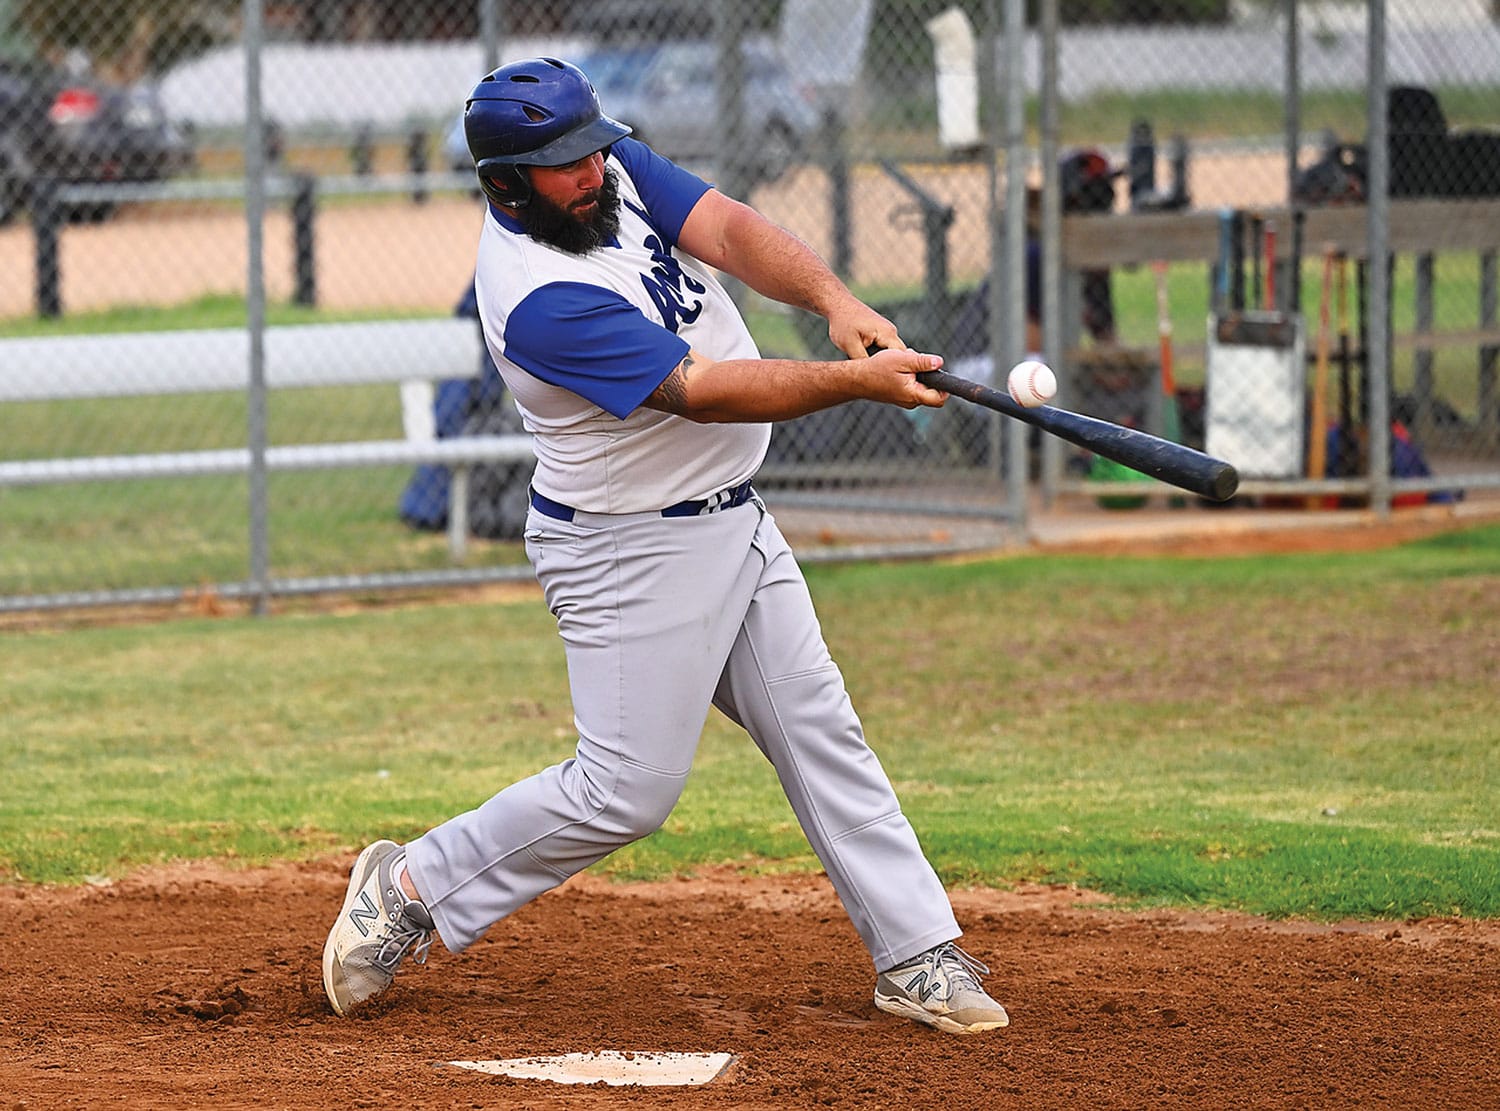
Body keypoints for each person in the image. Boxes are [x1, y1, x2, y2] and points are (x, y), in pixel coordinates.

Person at [321, 56, 1010, 1036]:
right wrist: (856, 382)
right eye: (562, 165)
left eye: (592, 148)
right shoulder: (536, 296)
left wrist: (837, 302)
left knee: (821, 732)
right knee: (625, 791)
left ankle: (914, 953)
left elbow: (726, 228)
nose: (591, 171)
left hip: (729, 517)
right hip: (625, 554)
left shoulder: (609, 167)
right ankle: (411, 884)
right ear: (506, 184)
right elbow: (700, 390)